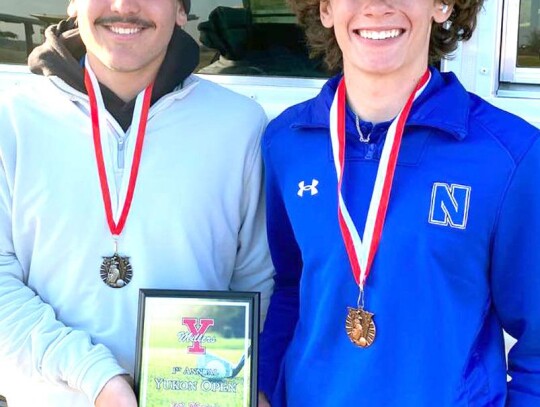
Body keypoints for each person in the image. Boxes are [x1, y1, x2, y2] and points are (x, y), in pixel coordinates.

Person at [258, 0, 540, 406]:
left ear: (442, 6)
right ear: (324, 9)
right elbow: (291, 286)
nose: (376, 7)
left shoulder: (507, 156)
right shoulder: (286, 141)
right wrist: (264, 385)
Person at [0, 0, 274, 406]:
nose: (125, 6)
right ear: (74, 3)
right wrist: (97, 378)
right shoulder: (12, 119)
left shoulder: (240, 125)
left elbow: (257, 282)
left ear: (182, 11)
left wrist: (239, 384)